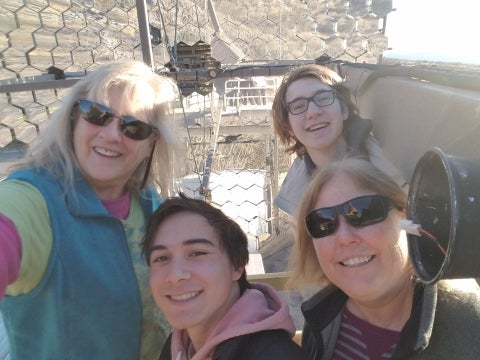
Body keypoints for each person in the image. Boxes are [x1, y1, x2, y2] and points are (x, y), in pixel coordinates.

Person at [0, 60, 181, 360]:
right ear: (74, 119)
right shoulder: (32, 201)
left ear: (151, 144)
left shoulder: (146, 201)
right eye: (96, 114)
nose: (111, 135)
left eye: (133, 128)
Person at [288, 157, 480, 359]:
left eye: (363, 212)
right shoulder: (320, 321)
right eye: (323, 222)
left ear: (405, 217)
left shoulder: (470, 329)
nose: (345, 238)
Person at [141, 195, 308, 360]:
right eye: (161, 258)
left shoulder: (274, 355)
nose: (175, 275)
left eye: (197, 253)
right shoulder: (177, 347)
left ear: (237, 264)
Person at [272, 63, 407, 216]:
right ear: (289, 128)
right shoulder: (297, 200)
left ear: (344, 110)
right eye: (298, 106)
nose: (313, 112)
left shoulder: (396, 165)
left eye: (323, 98)